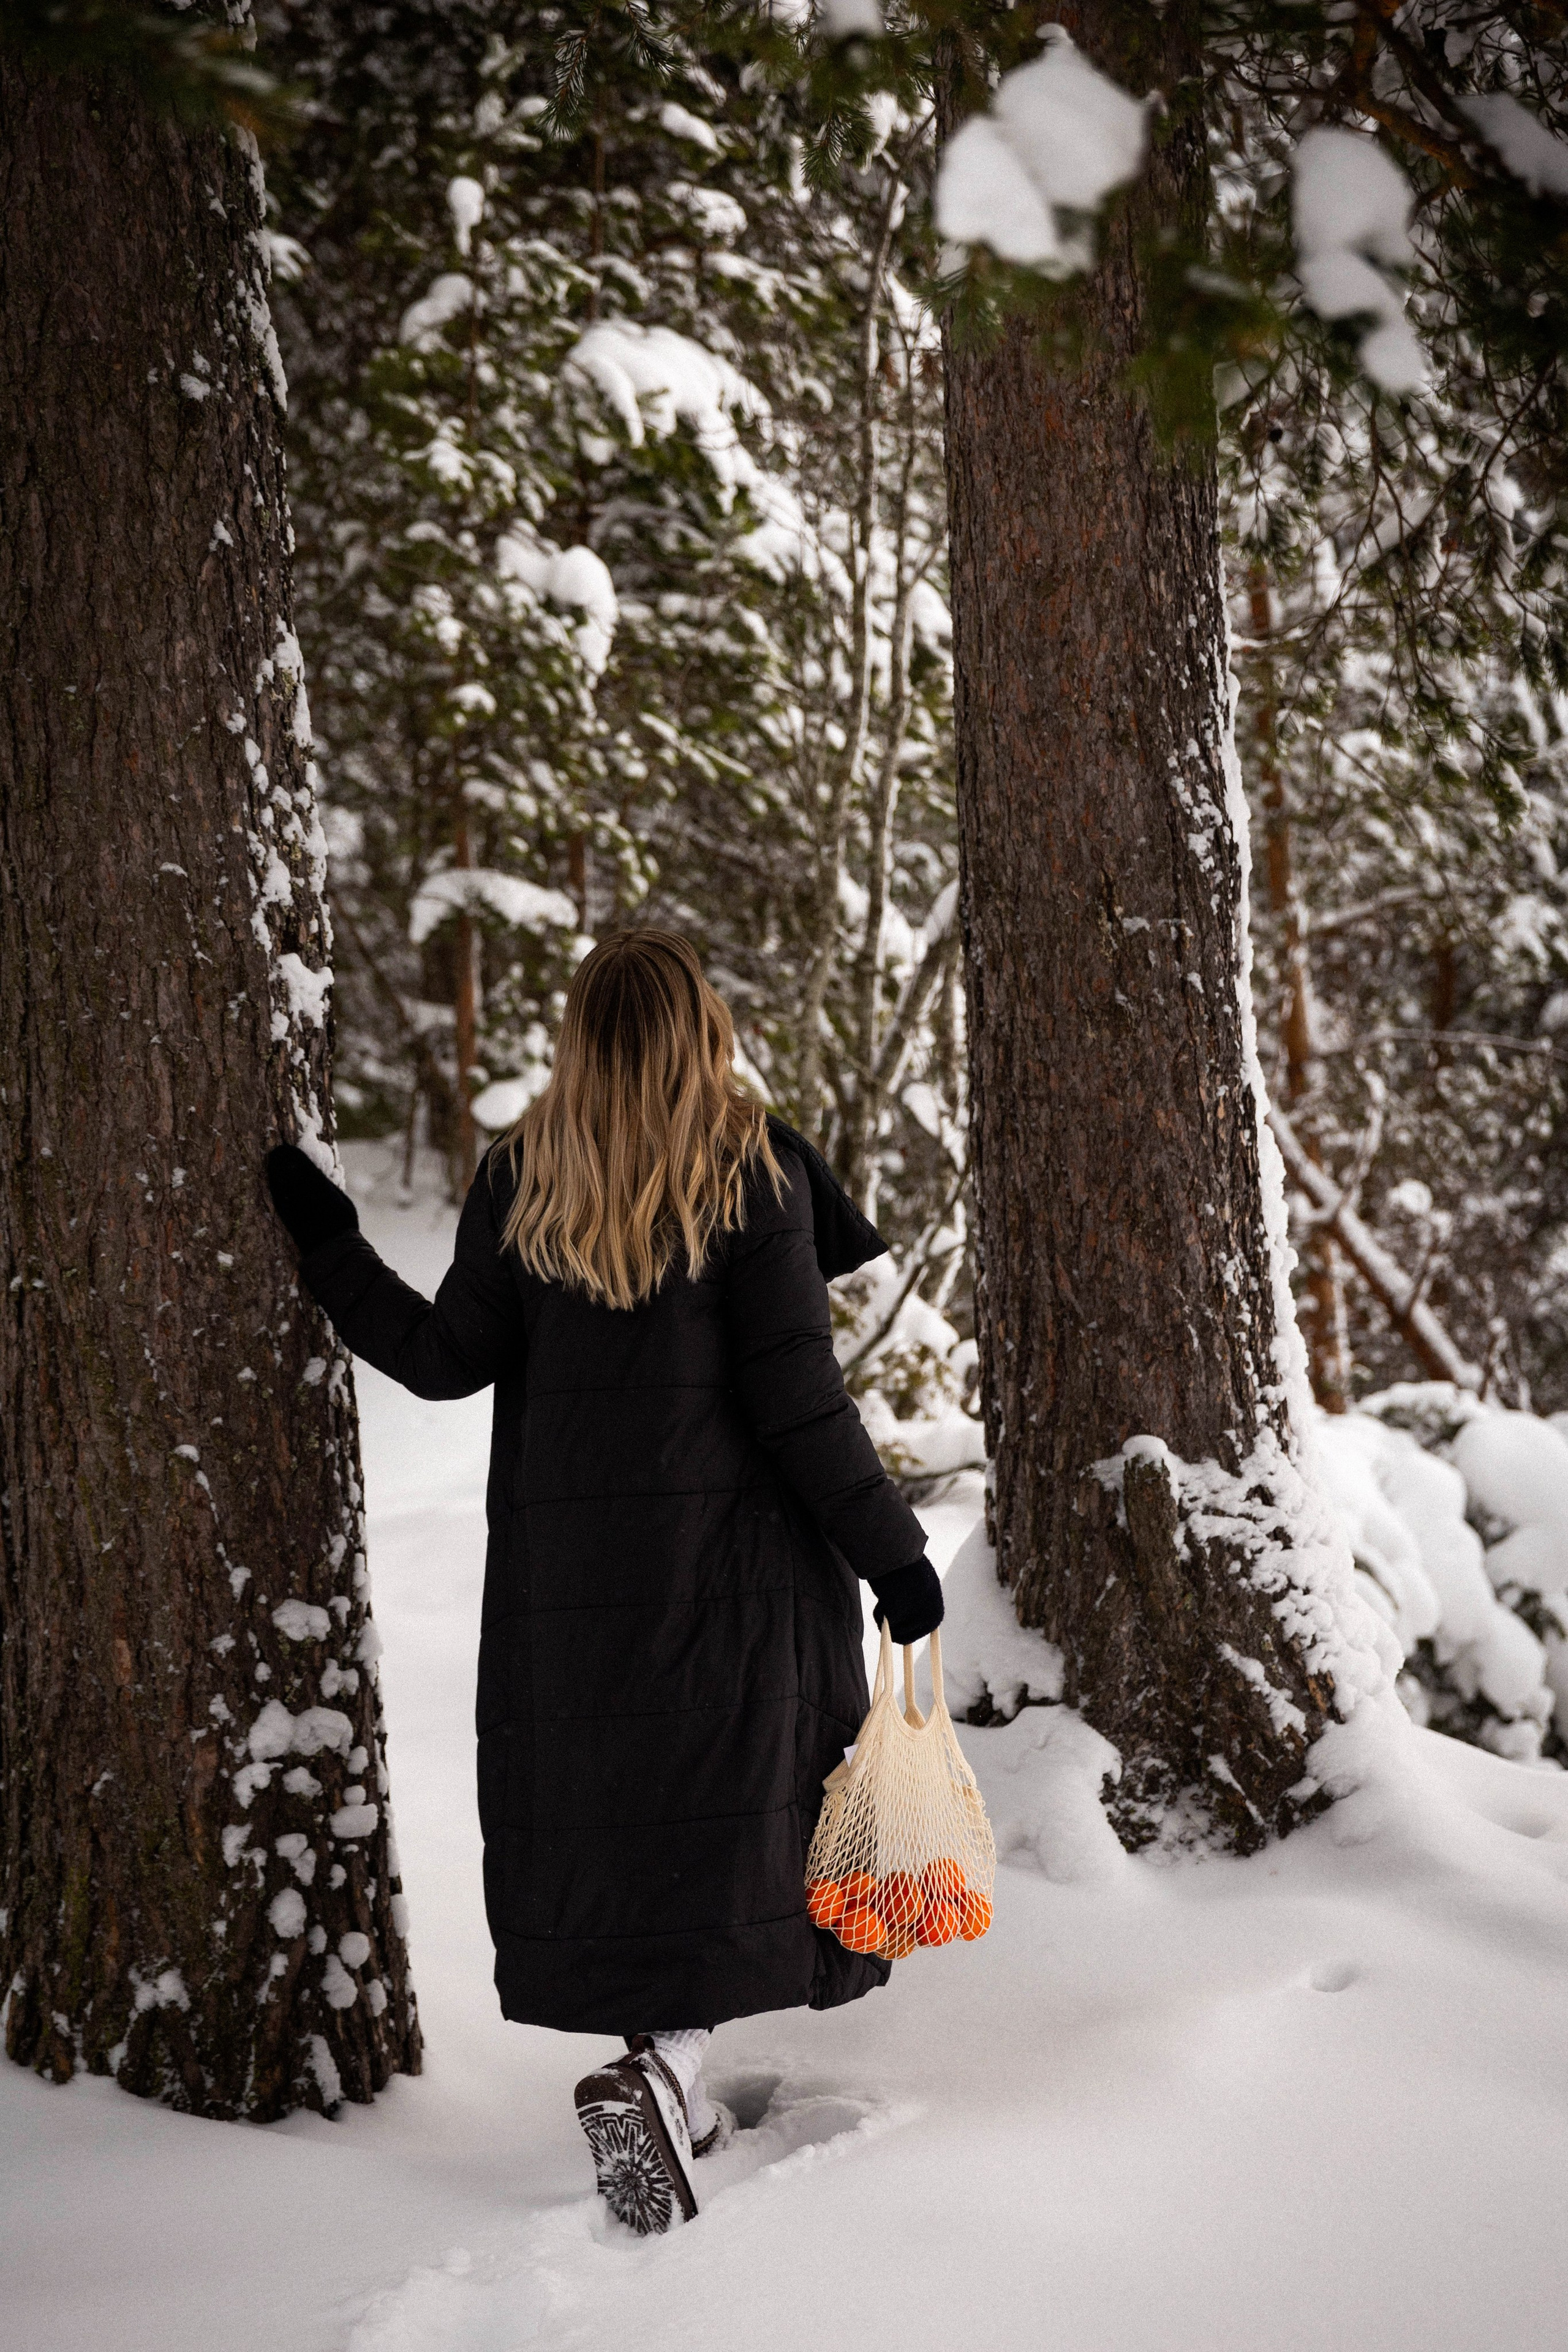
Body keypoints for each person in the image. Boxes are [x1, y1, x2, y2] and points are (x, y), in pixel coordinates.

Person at [264, 928, 943, 2236]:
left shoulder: (530, 1179)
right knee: (731, 1823)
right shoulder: (749, 1171)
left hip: (571, 1594)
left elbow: (436, 1358)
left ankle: (665, 2089)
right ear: (704, 1032)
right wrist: (894, 1555)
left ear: (582, 1038)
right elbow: (799, 1401)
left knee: (637, 1839)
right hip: (735, 1582)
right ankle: (667, 2069)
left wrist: (332, 1245)